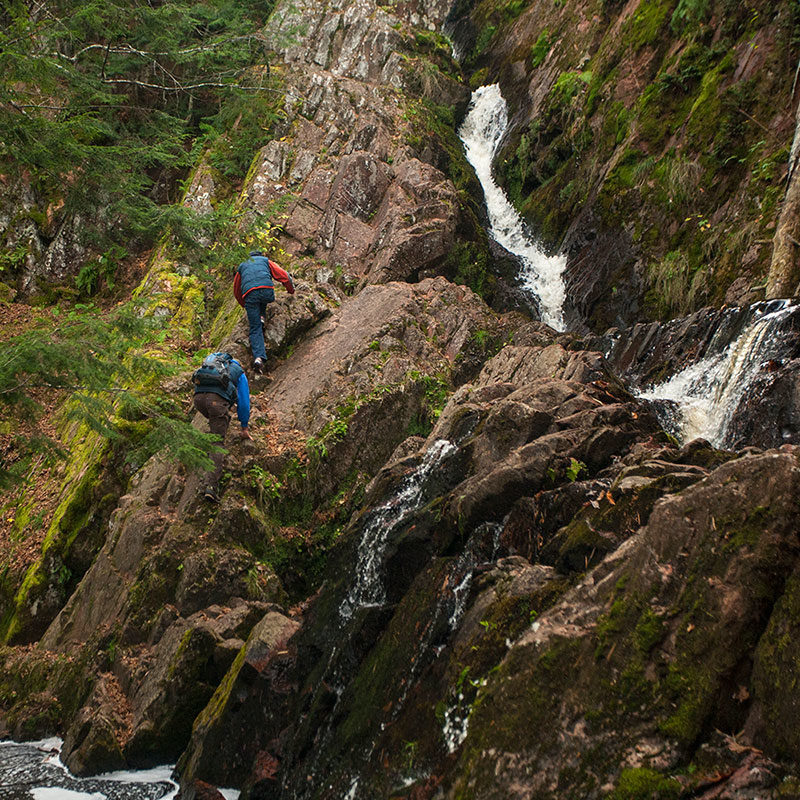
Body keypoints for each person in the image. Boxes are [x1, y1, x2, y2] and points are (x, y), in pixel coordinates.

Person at [192, 351, 251, 502]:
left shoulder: (212, 364)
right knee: (218, 443)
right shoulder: (239, 373)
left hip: (198, 399)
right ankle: (211, 487)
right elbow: (243, 403)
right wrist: (244, 427)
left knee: (218, 421)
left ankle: (214, 432)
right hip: (216, 401)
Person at [234, 250, 295, 374]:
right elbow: (284, 275)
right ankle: (262, 316)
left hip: (250, 295)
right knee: (263, 297)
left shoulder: (242, 266)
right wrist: (290, 290)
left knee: (255, 327)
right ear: (260, 255)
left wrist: (244, 305)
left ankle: (259, 358)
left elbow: (236, 290)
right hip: (267, 291)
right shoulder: (265, 261)